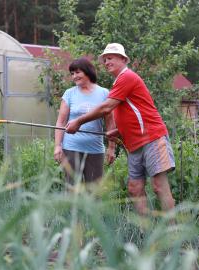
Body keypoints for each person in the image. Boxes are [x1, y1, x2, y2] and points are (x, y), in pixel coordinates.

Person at [65, 43, 175, 215]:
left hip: (152, 137)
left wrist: (78, 122)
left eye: (111, 58)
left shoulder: (127, 77)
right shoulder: (118, 82)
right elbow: (128, 113)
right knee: (134, 188)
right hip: (133, 143)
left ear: (123, 59)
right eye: (105, 59)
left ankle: (173, 232)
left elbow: (106, 108)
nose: (107, 62)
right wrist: (119, 131)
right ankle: (145, 231)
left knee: (159, 187)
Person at [54, 58, 116, 185]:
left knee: (93, 193)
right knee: (71, 190)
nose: (74, 76)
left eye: (77, 72)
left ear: (87, 72)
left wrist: (111, 148)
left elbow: (110, 123)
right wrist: (58, 146)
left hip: (95, 150)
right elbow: (60, 122)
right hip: (71, 148)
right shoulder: (69, 93)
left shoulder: (104, 93)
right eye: (72, 74)